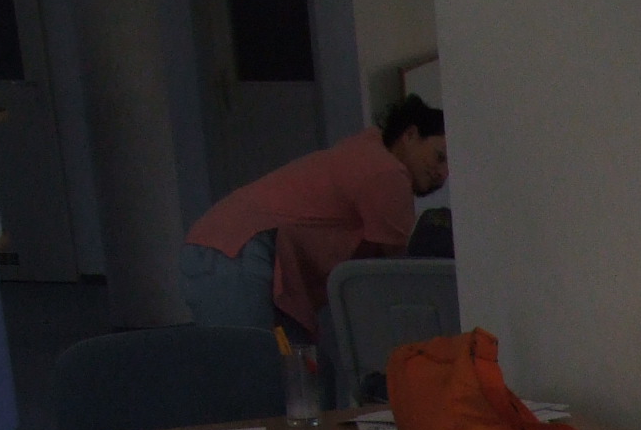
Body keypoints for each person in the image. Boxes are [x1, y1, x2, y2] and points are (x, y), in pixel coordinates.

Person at [178, 94, 449, 339]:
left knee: (281, 366)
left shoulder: (367, 150)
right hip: (236, 249)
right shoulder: (386, 171)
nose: (442, 173)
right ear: (410, 135)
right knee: (253, 366)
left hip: (226, 247)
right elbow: (401, 272)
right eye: (440, 157)